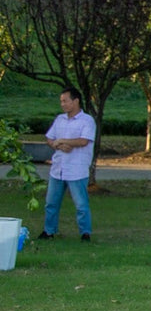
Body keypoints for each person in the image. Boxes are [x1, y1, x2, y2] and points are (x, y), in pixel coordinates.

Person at [40, 87, 96, 242]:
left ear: (76, 101)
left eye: (65, 101)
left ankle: (85, 233)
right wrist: (57, 145)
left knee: (81, 204)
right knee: (51, 203)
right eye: (61, 101)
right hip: (58, 168)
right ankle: (49, 231)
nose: (62, 104)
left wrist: (63, 141)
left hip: (76, 169)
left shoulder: (87, 120)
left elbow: (83, 141)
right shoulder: (60, 119)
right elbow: (50, 138)